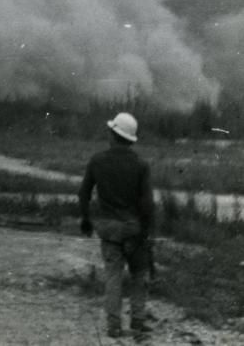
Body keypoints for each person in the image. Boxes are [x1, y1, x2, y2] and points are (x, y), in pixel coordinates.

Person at [78, 111, 154, 339]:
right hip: (133, 230)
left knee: (113, 277)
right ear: (130, 139)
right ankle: (138, 323)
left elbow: (83, 193)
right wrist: (146, 233)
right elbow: (147, 203)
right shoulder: (141, 165)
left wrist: (86, 219)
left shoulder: (97, 161)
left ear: (113, 135)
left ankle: (114, 327)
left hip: (108, 230)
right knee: (140, 275)